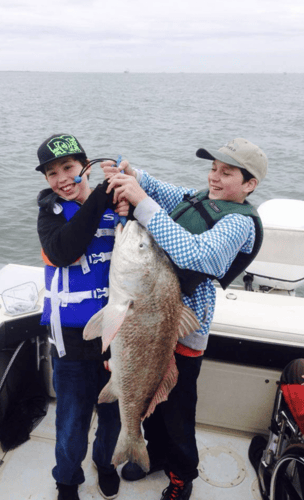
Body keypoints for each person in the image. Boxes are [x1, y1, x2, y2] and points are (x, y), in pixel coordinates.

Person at [103, 138, 268, 500]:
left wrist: (141, 204)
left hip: (183, 334)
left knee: (177, 414)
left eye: (227, 172)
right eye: (213, 168)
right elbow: (165, 191)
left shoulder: (238, 225)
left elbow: (197, 255)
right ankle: (154, 453)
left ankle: (182, 477)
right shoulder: (202, 199)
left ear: (250, 184)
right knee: (153, 406)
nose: (215, 177)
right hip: (147, 321)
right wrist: (134, 176)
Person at [36, 133, 127, 500]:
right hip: (70, 338)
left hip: (118, 333)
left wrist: (123, 189)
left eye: (68, 168)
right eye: (51, 173)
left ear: (85, 167)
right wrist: (101, 195)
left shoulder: (117, 206)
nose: (60, 179)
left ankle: (105, 462)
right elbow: (63, 251)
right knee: (72, 419)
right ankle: (67, 478)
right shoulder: (50, 213)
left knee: (113, 414)